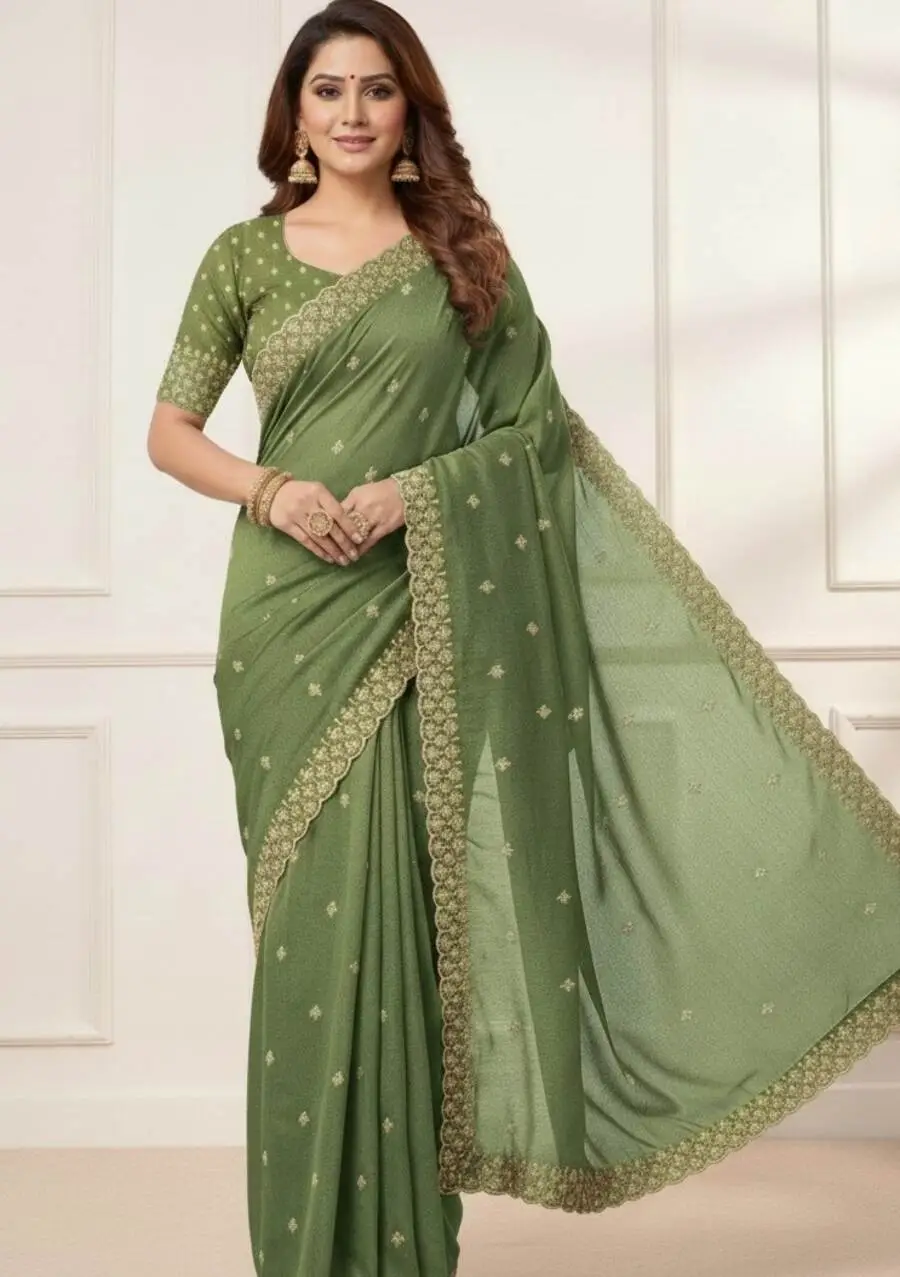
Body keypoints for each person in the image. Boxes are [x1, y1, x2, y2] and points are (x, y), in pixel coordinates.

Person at [147, 2, 900, 1274]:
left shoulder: (460, 251)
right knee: (314, 931)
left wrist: (418, 493)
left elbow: (534, 432)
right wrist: (271, 490)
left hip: (420, 611)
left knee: (413, 927)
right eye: (326, 90)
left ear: (410, 110)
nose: (350, 112)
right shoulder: (243, 256)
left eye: (375, 89)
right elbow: (171, 432)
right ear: (294, 115)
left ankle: (402, 1242)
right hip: (289, 624)